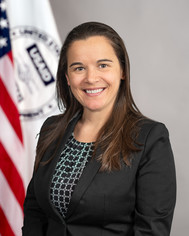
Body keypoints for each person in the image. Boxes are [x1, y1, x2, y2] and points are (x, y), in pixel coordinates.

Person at [22, 22, 176, 236]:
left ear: (122, 71)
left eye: (103, 65)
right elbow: (35, 211)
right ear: (67, 77)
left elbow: (151, 230)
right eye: (79, 68)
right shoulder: (51, 129)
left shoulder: (150, 138)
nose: (91, 78)